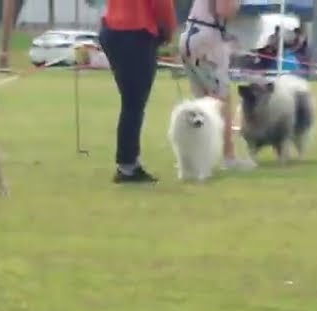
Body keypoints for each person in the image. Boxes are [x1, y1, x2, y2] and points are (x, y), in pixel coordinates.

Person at [98, 0, 176, 184]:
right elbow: (162, 4)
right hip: (136, 31)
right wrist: (168, 30)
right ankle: (127, 165)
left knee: (130, 101)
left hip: (112, 29)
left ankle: (128, 161)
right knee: (134, 103)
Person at [178, 0, 257, 171]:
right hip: (207, 39)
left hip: (190, 34)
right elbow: (224, 9)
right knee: (221, 100)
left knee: (201, 103)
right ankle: (228, 157)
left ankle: (195, 156)